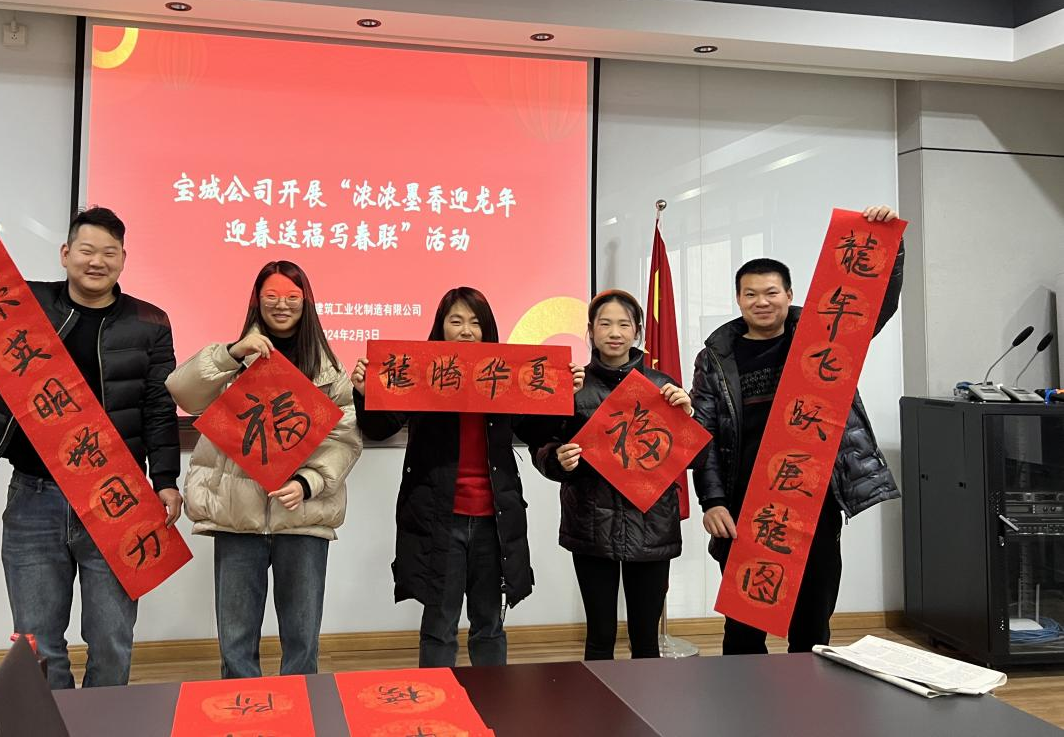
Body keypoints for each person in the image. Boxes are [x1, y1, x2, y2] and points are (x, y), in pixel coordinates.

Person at [0, 204, 180, 689]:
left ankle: (101, 721)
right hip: (34, 497)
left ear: (123, 259)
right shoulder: (26, 303)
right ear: (65, 254)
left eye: (109, 253)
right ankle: (56, 720)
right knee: (38, 641)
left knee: (112, 638)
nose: (97, 261)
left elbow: (158, 407)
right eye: (86, 250)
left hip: (117, 498)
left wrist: (166, 481)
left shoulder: (149, 322)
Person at [691, 204, 904, 654]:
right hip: (746, 504)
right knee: (744, 628)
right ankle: (744, 698)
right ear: (738, 300)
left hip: (815, 500)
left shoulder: (824, 336)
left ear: (789, 294)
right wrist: (712, 501)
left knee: (811, 622)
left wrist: (891, 246)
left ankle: (807, 695)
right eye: (750, 294)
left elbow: (875, 307)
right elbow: (704, 433)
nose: (761, 301)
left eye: (771, 292)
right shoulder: (715, 358)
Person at [350, 287, 583, 668]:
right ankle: (437, 700)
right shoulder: (421, 372)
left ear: (487, 329)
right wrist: (364, 393)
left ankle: (491, 700)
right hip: (438, 518)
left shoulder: (505, 374)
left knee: (489, 623)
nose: (465, 331)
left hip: (494, 519)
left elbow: (536, 431)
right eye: (455, 321)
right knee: (439, 625)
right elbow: (380, 428)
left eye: (475, 323)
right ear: (440, 327)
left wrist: (562, 395)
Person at [167, 261, 360, 679]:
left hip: (302, 518)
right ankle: (241, 710)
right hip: (237, 518)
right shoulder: (235, 360)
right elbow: (182, 392)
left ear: (306, 303)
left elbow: (344, 440)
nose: (282, 305)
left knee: (302, 641)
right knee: (236, 642)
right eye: (271, 296)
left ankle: (302, 709)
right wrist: (232, 353)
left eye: (292, 297)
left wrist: (308, 483)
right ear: (257, 301)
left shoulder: (329, 371)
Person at [532, 289, 692, 660]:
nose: (615, 332)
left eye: (624, 324)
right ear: (590, 331)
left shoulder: (661, 385)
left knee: (646, 638)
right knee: (600, 635)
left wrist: (688, 416)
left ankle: (644, 698)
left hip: (651, 524)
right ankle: (597, 698)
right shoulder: (572, 385)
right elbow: (543, 445)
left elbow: (691, 457)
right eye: (605, 324)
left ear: (638, 331)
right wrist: (557, 460)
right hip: (591, 523)